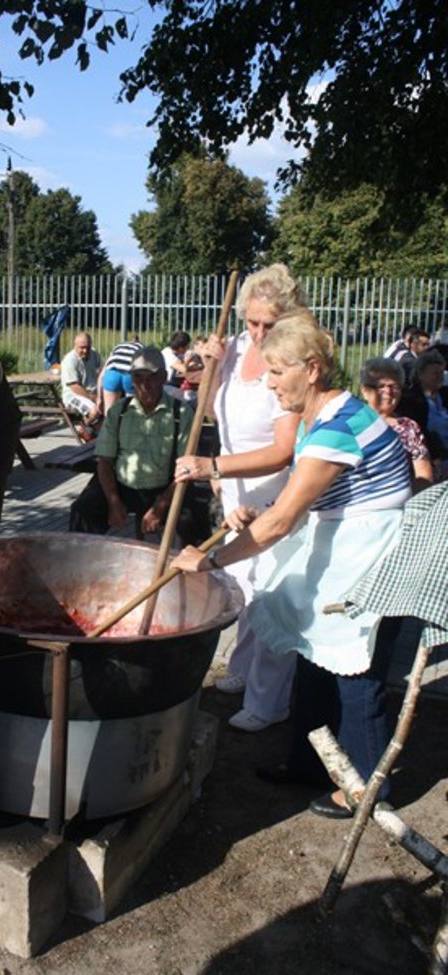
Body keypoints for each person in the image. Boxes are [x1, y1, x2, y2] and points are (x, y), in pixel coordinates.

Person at [172, 315, 412, 818]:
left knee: (356, 674)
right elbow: (302, 503)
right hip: (346, 549)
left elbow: (283, 521)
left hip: (371, 561)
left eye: (278, 371)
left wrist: (211, 559)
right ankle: (312, 764)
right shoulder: (324, 416)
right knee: (313, 659)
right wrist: (255, 515)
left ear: (313, 369)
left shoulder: (337, 428)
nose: (269, 382)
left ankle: (366, 788)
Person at [174, 264, 308, 732]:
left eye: (270, 324)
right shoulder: (233, 348)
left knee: (270, 595)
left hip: (275, 494)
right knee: (243, 586)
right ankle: (243, 670)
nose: (259, 333)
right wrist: (210, 370)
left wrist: (213, 466)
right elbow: (214, 411)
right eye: (252, 322)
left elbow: (283, 450)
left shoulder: (290, 363)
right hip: (235, 490)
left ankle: (270, 703)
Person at [69, 346, 206, 544]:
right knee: (82, 511)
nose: (144, 384)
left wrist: (160, 507)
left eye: (151, 377)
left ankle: (187, 562)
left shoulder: (181, 413)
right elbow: (105, 461)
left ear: (163, 377)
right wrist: (114, 502)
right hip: (122, 484)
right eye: (138, 377)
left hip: (164, 486)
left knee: (194, 522)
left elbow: (186, 471)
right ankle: (80, 559)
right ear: (131, 380)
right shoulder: (119, 411)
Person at [359, 357, 433, 492]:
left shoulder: (409, 427)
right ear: (365, 391)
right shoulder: (352, 424)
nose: (388, 391)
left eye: (394, 386)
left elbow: (423, 473)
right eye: (381, 386)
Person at [399, 348, 448, 480]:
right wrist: (436, 456)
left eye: (442, 372)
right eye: (435, 373)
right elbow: (419, 433)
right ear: (420, 374)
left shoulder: (444, 394)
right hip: (433, 458)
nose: (440, 377)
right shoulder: (412, 400)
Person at [60, 331, 102, 437]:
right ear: (75, 346)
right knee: (95, 411)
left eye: (88, 347)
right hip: (73, 395)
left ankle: (95, 431)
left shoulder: (94, 354)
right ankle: (84, 428)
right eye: (82, 348)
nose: (85, 350)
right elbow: (74, 386)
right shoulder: (70, 360)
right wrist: (94, 398)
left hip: (92, 392)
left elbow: (100, 373)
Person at [97, 339, 143, 414]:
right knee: (132, 411)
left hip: (112, 373)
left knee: (109, 413)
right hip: (129, 373)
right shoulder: (141, 347)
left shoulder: (117, 347)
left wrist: (99, 398)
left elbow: (102, 375)